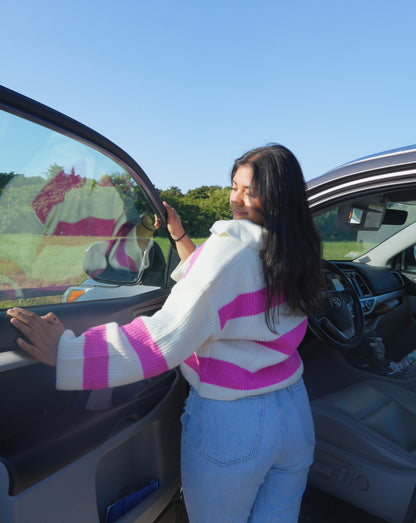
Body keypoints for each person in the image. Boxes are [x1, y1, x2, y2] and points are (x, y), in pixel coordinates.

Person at [8, 144, 324, 522]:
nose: (235, 199)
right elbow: (228, 297)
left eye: (249, 190)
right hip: (294, 412)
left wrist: (67, 352)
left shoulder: (230, 252)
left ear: (276, 196)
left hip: (238, 425)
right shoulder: (298, 251)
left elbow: (164, 338)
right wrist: (179, 236)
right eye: (234, 185)